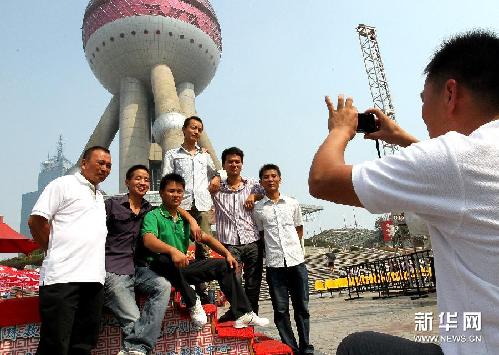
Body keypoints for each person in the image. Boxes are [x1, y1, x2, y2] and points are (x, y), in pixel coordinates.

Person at [308, 30, 499, 355]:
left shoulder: (454, 156)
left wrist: (341, 128)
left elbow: (323, 179)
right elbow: (463, 182)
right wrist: (403, 138)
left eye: (424, 101)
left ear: (450, 94)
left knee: (358, 347)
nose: (423, 116)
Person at [137, 173, 270, 329]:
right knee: (165, 258)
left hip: (180, 268)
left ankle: (243, 313)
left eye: (179, 191)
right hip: (158, 269)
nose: (176, 195)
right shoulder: (153, 216)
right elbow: (148, 240)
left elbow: (206, 238)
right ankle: (193, 302)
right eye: (171, 191)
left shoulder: (183, 219)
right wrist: (172, 251)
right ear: (161, 193)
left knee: (224, 265)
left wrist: (227, 254)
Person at [103, 165, 201, 355]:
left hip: (138, 268)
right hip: (114, 269)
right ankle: (137, 348)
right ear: (127, 182)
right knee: (133, 320)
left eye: (146, 179)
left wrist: (192, 219)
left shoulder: (149, 209)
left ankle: (135, 348)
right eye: (137, 178)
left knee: (163, 286)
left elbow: (174, 208)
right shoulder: (112, 205)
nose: (142, 182)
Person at [28, 146, 112, 355]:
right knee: (55, 345)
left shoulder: (100, 197)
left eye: (108, 165)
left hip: (93, 281)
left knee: (83, 345)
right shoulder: (63, 184)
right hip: (62, 279)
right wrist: (52, 250)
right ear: (84, 163)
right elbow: (37, 220)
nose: (105, 168)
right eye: (100, 163)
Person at [253, 164, 314, 355]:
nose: (270, 179)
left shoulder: (292, 203)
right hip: (275, 265)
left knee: (302, 308)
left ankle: (306, 347)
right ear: (261, 182)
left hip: (296, 262)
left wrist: (297, 251)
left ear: (280, 178)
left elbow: (299, 229)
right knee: (280, 311)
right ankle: (291, 348)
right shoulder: (258, 209)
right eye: (265, 177)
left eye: (273, 176)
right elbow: (261, 235)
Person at [162, 115, 220, 301]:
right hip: (181, 206)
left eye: (199, 129)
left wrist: (216, 179)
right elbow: (166, 178)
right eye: (193, 128)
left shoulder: (204, 155)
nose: (196, 132)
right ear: (184, 130)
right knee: (179, 245)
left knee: (204, 246)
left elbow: (217, 173)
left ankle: (203, 289)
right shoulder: (172, 154)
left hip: (202, 205)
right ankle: (179, 285)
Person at [211, 147, 264, 322]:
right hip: (229, 242)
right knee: (233, 281)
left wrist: (254, 197)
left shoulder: (252, 184)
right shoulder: (216, 188)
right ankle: (237, 312)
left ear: (242, 164)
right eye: (230, 162)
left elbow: (267, 190)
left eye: (237, 161)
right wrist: (217, 176)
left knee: (253, 283)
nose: (234, 164)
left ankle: (251, 317)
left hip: (252, 240)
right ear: (224, 165)